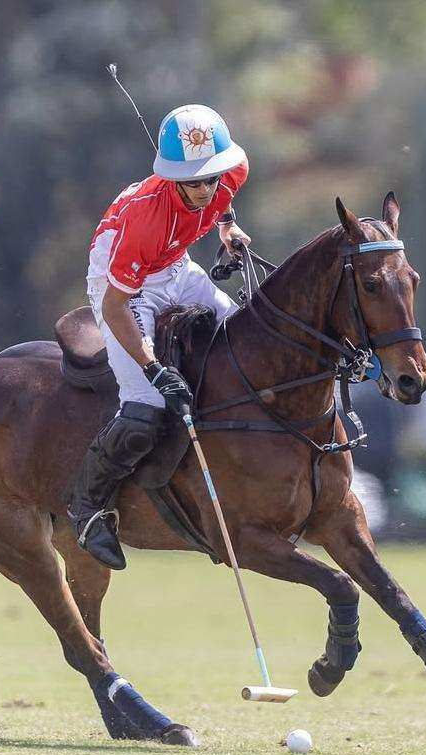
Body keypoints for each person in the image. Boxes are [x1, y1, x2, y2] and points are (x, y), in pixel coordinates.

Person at [67, 104, 251, 570]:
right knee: (145, 406)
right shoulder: (145, 218)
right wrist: (154, 367)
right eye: (194, 182)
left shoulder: (230, 173)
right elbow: (115, 306)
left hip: (176, 267)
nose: (206, 189)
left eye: (212, 177)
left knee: (243, 339)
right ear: (172, 179)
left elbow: (222, 199)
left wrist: (228, 230)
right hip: (123, 284)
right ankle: (87, 509)